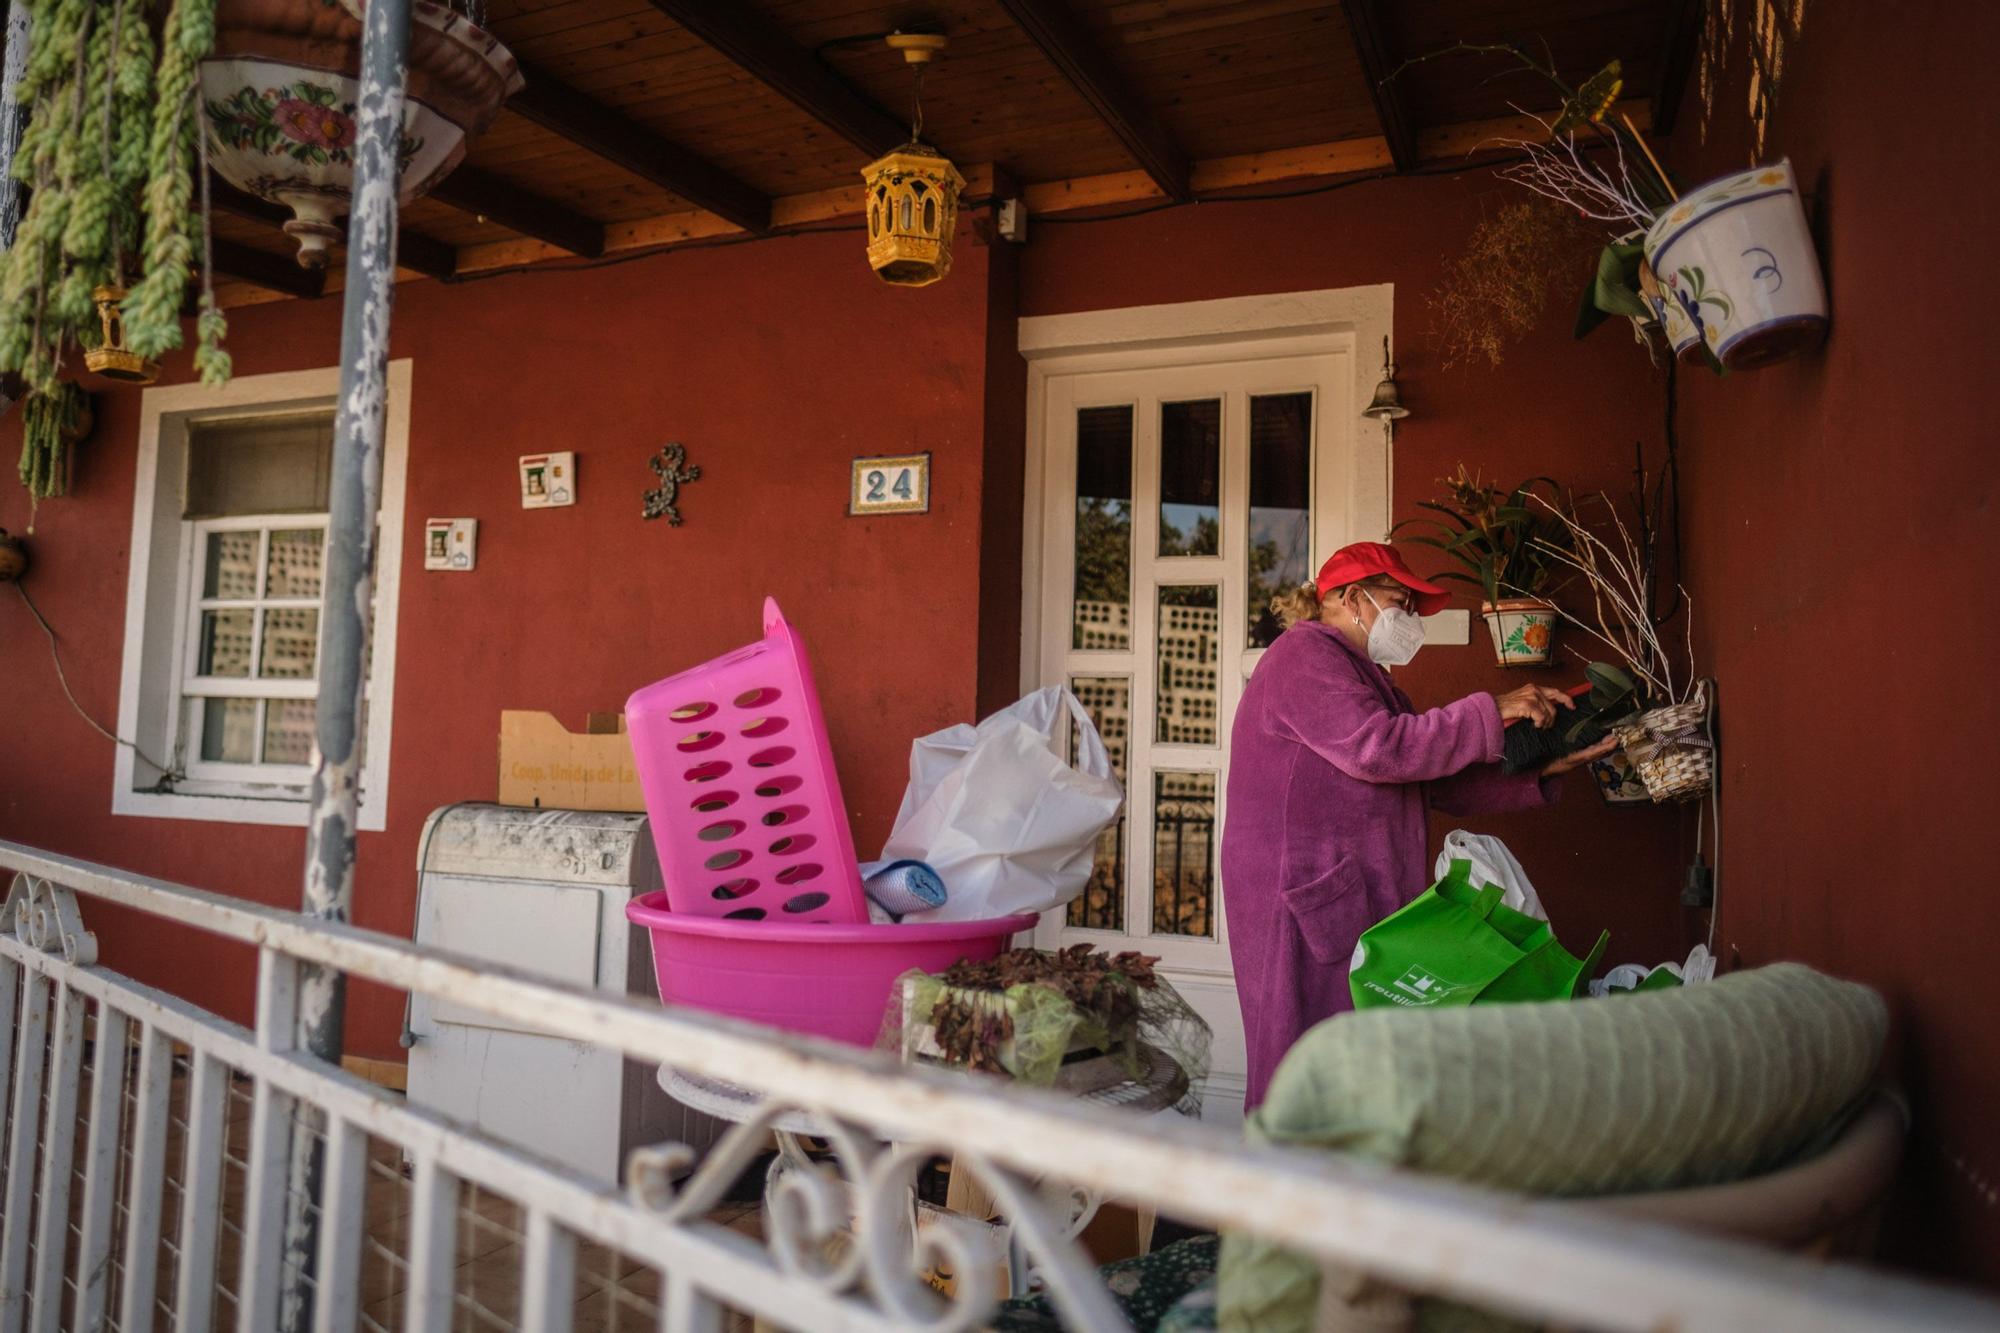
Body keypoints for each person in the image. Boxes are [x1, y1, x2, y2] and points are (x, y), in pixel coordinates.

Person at [1221, 541, 1617, 1109]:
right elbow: (1378, 750)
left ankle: (1346, 1193)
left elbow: (1427, 780)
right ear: (1352, 598)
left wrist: (1544, 766)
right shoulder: (1302, 655)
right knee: (1303, 1067)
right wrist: (1493, 708)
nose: (1406, 615)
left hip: (1351, 899)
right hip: (1303, 901)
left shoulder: (1371, 680)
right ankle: (1280, 1194)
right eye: (1397, 599)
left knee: (1355, 1071)